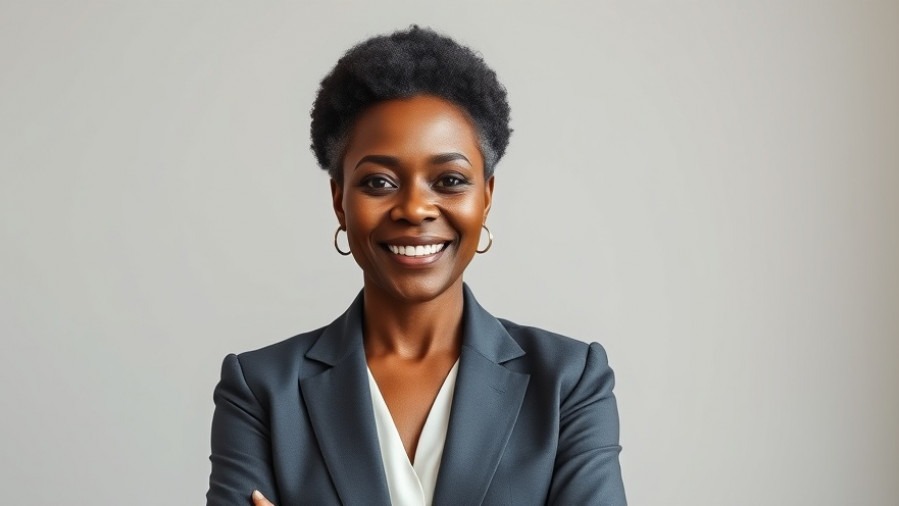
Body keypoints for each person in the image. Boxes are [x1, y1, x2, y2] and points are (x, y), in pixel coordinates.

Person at [206, 25, 626, 506]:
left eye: (449, 180)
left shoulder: (569, 382)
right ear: (340, 201)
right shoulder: (261, 389)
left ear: (486, 198)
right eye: (379, 183)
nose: (414, 208)